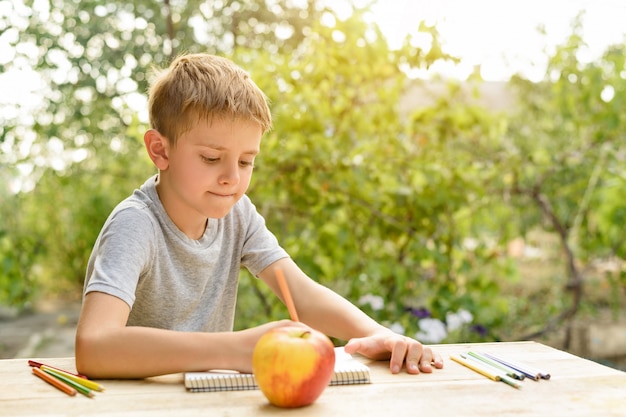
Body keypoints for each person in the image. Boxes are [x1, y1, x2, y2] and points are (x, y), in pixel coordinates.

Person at [75, 53, 444, 379]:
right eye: (210, 158)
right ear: (160, 150)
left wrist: (376, 333)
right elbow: (94, 347)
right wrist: (233, 349)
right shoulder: (135, 224)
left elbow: (301, 295)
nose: (232, 177)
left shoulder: (237, 215)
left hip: (206, 402)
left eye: (246, 161)